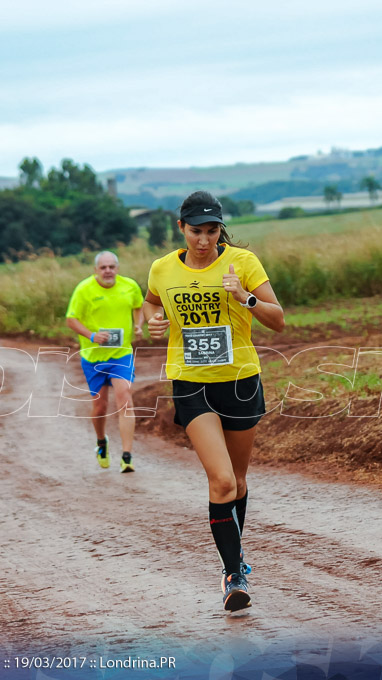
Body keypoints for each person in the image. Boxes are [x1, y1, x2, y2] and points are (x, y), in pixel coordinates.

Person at [143, 190, 285, 612]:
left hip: (240, 380)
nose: (204, 240)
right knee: (221, 480)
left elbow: (278, 319)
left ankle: (235, 555)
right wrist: (150, 322)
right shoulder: (162, 268)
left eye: (211, 231)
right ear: (180, 227)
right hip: (191, 382)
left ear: (220, 229)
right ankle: (233, 574)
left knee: (238, 482)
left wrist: (246, 297)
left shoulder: (243, 263)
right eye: (195, 231)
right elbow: (150, 304)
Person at [65, 251, 144, 472]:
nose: (108, 271)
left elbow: (138, 306)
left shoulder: (130, 286)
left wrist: (138, 325)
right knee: (100, 407)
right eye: (103, 267)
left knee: (124, 398)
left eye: (111, 266)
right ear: (96, 270)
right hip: (93, 357)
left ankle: (127, 456)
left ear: (117, 268)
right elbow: (71, 319)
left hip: (121, 354)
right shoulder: (84, 289)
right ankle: (101, 442)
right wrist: (91, 336)